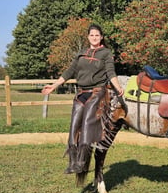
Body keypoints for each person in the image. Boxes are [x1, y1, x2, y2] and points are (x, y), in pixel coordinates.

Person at [42, 24, 124, 174]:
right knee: (74, 126)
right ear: (88, 37)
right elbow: (69, 71)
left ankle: (82, 162)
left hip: (97, 92)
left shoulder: (105, 53)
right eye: (92, 35)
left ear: (101, 37)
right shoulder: (81, 53)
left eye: (97, 35)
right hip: (81, 93)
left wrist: (118, 87)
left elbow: (111, 72)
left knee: (86, 125)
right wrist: (53, 86)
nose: (94, 37)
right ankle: (73, 162)